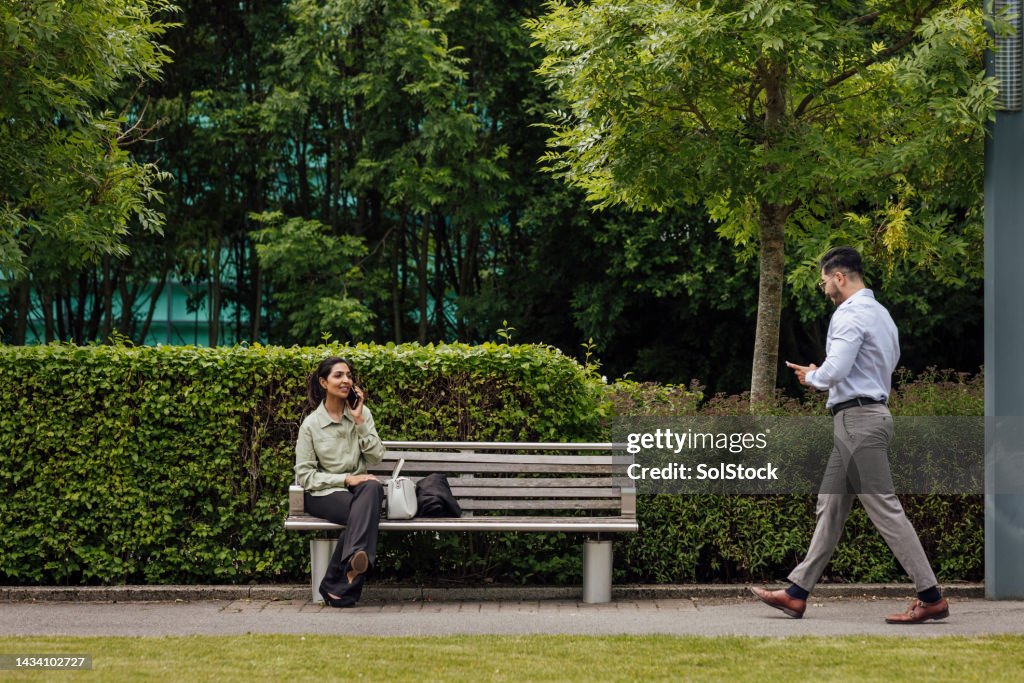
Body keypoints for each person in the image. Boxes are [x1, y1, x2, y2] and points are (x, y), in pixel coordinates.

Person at [751, 246, 949, 624]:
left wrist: (814, 377)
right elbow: (874, 365)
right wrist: (826, 374)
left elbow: (837, 369)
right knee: (830, 505)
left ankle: (931, 596)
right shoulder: (881, 315)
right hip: (865, 416)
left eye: (825, 280)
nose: (824, 287)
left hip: (858, 421)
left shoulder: (848, 314)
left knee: (885, 510)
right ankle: (796, 593)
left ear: (839, 277)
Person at [295, 356, 385, 608]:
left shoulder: (361, 414)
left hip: (359, 493)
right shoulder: (311, 425)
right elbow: (306, 476)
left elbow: (376, 456)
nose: (346, 380)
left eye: (348, 375)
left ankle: (344, 576)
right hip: (322, 494)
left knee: (373, 487)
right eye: (338, 375)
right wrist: (346, 478)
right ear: (323, 382)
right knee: (366, 507)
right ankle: (343, 578)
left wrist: (359, 422)